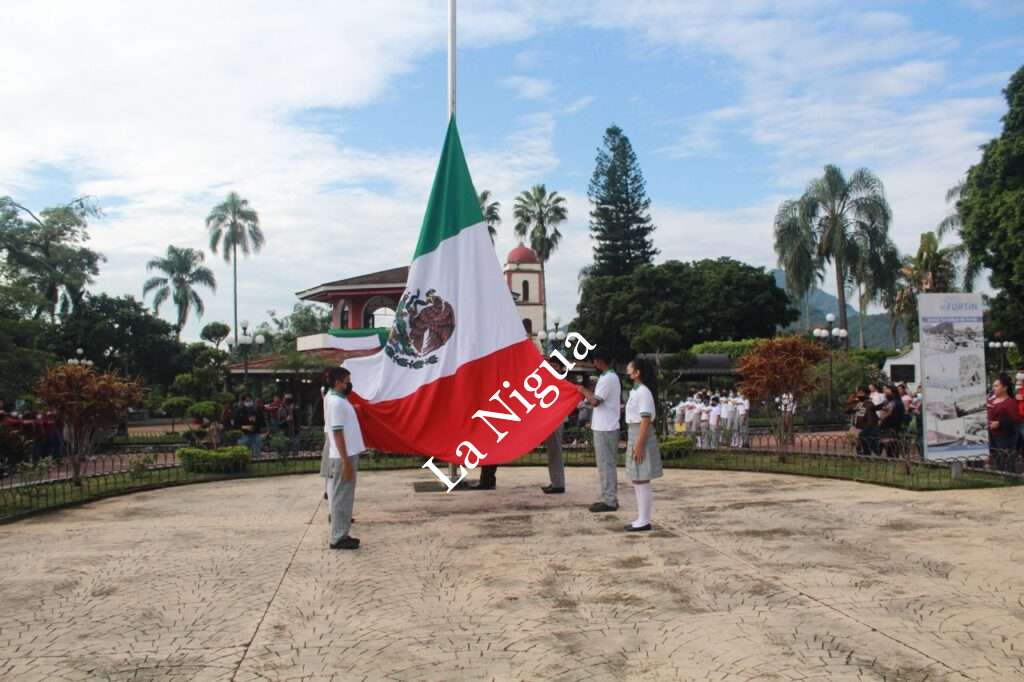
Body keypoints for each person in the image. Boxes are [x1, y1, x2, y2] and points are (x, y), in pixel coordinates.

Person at [324, 366, 364, 550]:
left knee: (345, 495)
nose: (349, 385)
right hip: (344, 456)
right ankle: (338, 538)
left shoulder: (338, 399)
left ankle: (342, 533)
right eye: (347, 382)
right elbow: (338, 432)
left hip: (347, 454)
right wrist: (345, 461)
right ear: (337, 382)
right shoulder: (336, 403)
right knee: (342, 496)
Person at [578, 349, 621, 513]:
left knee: (606, 464)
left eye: (594, 361)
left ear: (600, 361)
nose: (593, 364)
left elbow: (595, 401)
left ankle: (609, 500)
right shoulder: (607, 377)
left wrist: (583, 390)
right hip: (604, 426)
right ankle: (608, 498)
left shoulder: (608, 378)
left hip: (606, 427)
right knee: (605, 464)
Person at [624, 357, 663, 531]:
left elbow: (645, 420)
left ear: (637, 373)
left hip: (640, 433)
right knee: (637, 478)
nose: (627, 370)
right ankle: (641, 517)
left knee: (642, 478)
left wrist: (639, 445)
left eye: (630, 368)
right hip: (635, 432)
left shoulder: (643, 392)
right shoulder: (636, 391)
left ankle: (644, 520)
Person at [987, 373, 1018, 472]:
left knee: (1005, 460)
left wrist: (1000, 423)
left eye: (996, 386)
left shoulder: (1010, 402)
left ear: (1004, 388)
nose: (993, 388)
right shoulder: (991, 400)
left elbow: (1016, 420)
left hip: (1004, 437)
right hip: (991, 435)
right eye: (993, 386)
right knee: (996, 460)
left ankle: (1010, 476)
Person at [234, 394, 265, 459]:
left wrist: (256, 421)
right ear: (243, 401)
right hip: (243, 435)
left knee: (256, 455)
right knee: (243, 456)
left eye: (250, 400)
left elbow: (262, 422)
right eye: (247, 401)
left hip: (256, 434)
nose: (249, 402)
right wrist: (244, 427)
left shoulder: (257, 409)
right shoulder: (239, 410)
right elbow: (235, 424)